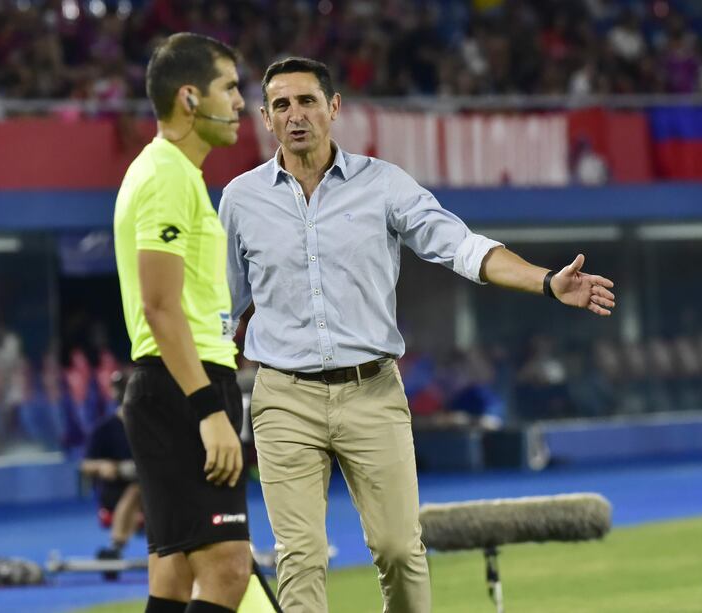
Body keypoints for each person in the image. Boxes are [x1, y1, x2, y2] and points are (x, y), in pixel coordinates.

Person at [218, 56, 616, 613]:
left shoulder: (383, 184)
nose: (296, 114)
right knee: (301, 555)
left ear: (333, 107)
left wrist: (546, 282)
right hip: (283, 397)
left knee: (398, 551)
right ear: (265, 117)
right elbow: (221, 308)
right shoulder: (240, 199)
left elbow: (461, 246)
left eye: (307, 100)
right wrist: (207, 403)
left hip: (372, 392)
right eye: (281, 105)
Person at [114, 33, 253, 613]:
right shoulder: (168, 174)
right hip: (182, 388)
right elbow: (160, 306)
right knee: (226, 569)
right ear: (190, 99)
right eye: (230, 87)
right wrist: (209, 412)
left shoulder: (171, 173)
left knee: (173, 573)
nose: (242, 102)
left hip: (174, 381)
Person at [80, 370, 143, 566]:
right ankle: (117, 545)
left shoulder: (151, 426)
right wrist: (104, 466)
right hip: (116, 491)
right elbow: (85, 464)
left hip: (153, 488)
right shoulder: (105, 429)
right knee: (136, 490)